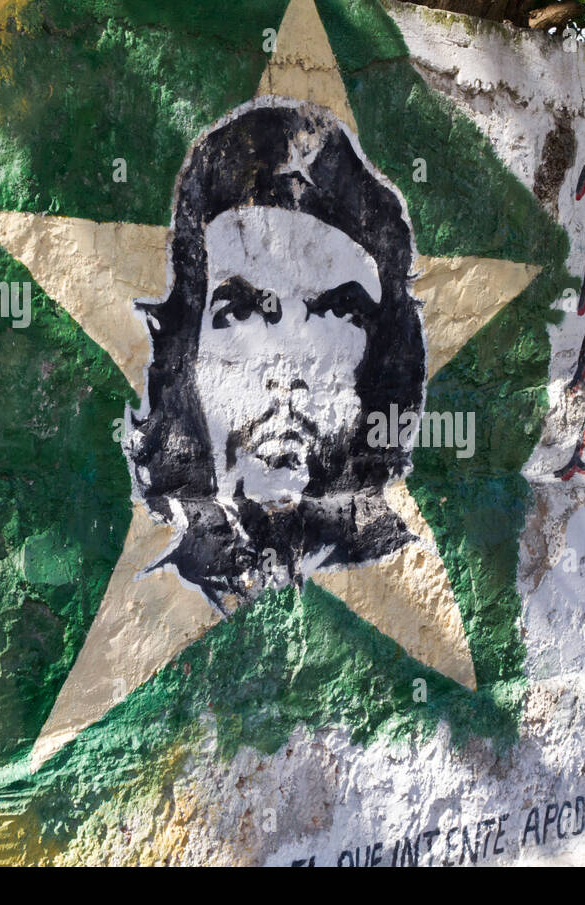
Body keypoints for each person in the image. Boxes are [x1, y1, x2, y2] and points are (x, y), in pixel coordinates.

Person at [127, 99, 427, 614]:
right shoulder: (149, 598)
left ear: (379, 358)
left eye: (335, 312)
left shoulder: (402, 581)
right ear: (187, 351)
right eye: (242, 311)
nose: (288, 373)